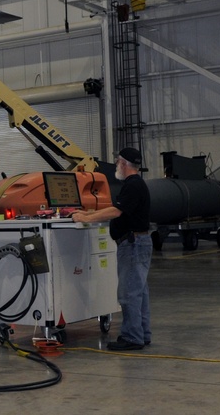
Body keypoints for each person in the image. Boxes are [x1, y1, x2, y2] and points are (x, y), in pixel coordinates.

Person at [71, 147, 151, 351]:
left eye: (117, 162)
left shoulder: (132, 185)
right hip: (138, 243)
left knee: (129, 293)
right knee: (139, 292)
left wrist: (85, 218)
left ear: (124, 164)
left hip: (132, 245)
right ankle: (142, 333)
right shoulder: (135, 184)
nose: (116, 166)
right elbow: (116, 208)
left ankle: (132, 337)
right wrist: (88, 212)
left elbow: (116, 211)